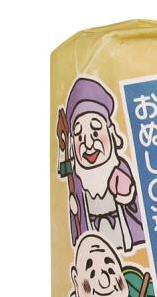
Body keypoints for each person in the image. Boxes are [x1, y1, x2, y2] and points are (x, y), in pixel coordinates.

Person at [61, 77, 144, 251]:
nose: (89, 144)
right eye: (79, 136)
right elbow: (77, 223)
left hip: (125, 236)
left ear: (111, 132)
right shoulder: (76, 179)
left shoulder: (120, 168)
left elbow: (140, 209)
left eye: (95, 132)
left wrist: (128, 196)